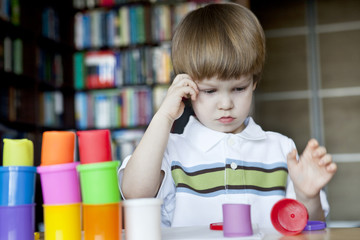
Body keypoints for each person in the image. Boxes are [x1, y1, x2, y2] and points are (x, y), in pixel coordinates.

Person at [118, 2, 337, 229]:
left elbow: (312, 226)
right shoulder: (171, 151)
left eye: (238, 88)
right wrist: (163, 116)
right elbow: (135, 193)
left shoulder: (282, 149)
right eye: (210, 91)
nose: (226, 104)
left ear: (254, 81)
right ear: (187, 88)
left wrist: (307, 196)